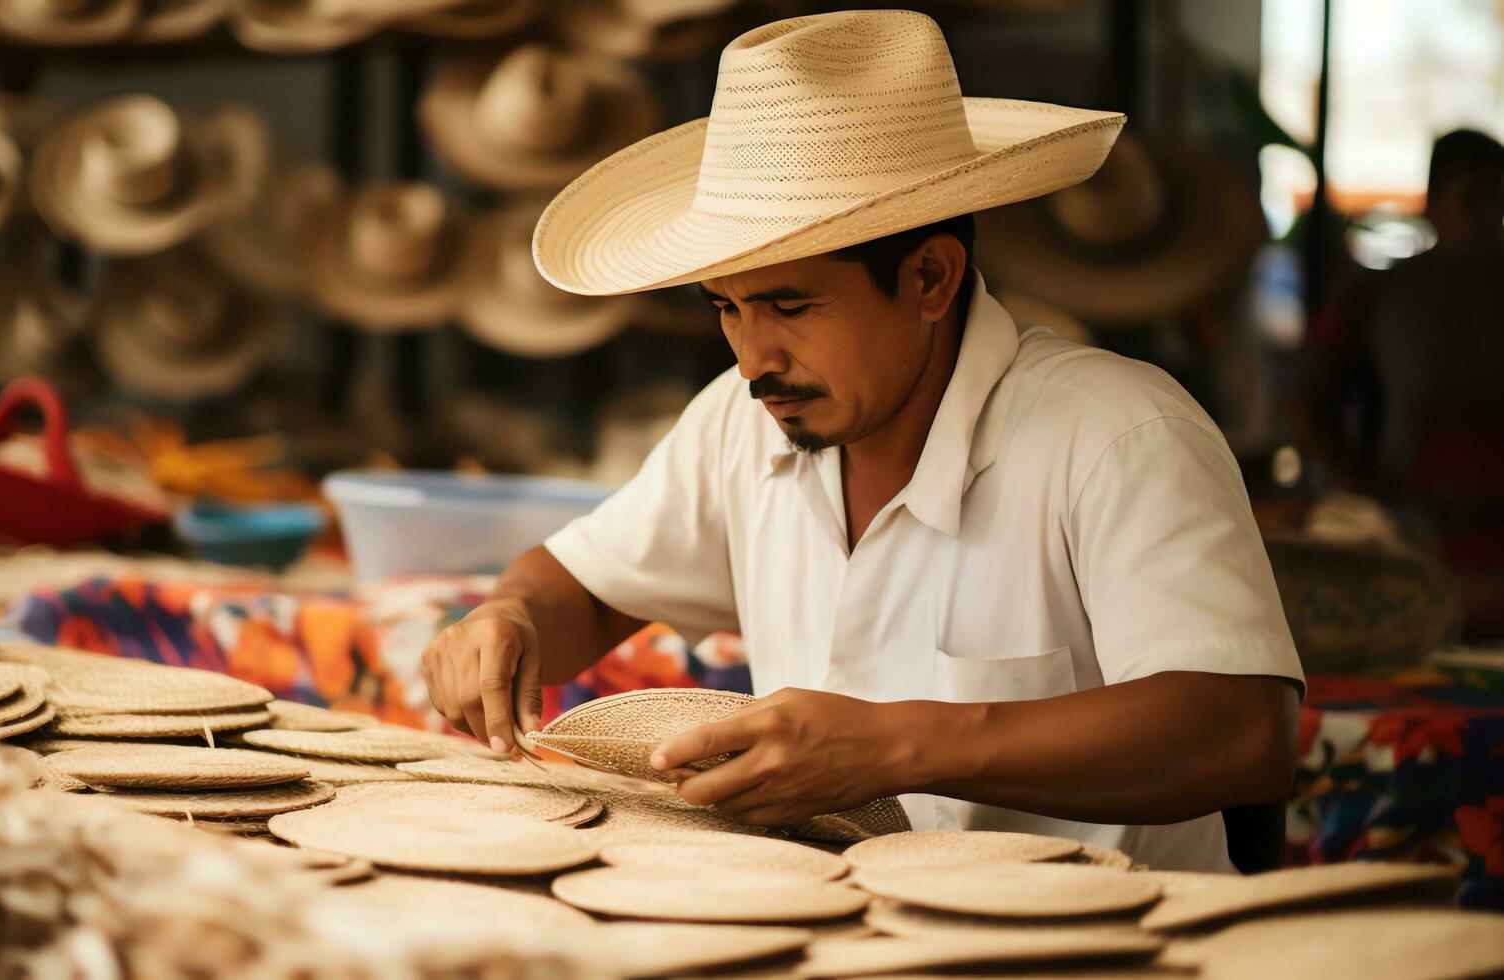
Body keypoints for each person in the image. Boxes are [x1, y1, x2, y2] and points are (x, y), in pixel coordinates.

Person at [421, 9, 1303, 873]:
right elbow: (578, 586)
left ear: (928, 278)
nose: (754, 356)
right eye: (727, 307)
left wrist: (899, 746)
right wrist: (510, 618)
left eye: (791, 306)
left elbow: (1237, 734)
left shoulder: (1116, 434)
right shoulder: (739, 418)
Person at [1301, 129, 1504, 636]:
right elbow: (1306, 397)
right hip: (1414, 528)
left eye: (1498, 201)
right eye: (1473, 200)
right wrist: (1360, 490)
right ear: (1435, 203)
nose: (1487, 217)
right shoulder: (1380, 291)